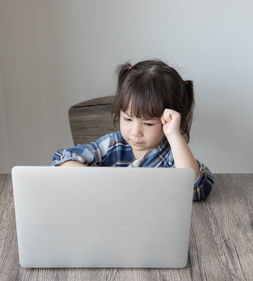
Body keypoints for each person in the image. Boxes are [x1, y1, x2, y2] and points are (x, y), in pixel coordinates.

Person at [50, 59, 214, 201]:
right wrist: (96, 179)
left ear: (167, 120)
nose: (135, 132)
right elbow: (61, 160)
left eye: (148, 124)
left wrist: (174, 135)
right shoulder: (113, 145)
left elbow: (196, 189)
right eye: (127, 119)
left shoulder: (173, 156)